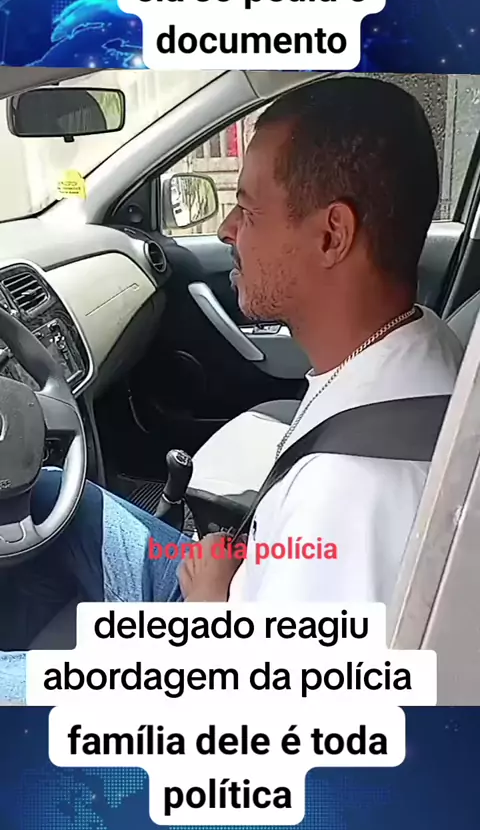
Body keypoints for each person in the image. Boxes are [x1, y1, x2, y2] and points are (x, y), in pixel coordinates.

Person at [0, 76, 464, 703]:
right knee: (51, 494)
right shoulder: (421, 343)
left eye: (248, 209)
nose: (225, 229)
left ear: (331, 236)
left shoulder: (347, 494)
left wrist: (211, 610)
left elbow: (278, 725)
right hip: (241, 593)